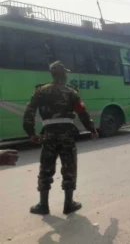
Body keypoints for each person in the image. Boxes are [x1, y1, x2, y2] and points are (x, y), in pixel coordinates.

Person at [23, 61, 98, 215]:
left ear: (52, 74)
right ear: (64, 74)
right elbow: (82, 113)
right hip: (67, 135)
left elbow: (29, 112)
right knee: (69, 167)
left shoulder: (40, 91)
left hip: (48, 134)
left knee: (46, 168)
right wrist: (92, 129)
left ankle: (43, 205)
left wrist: (31, 133)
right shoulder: (72, 92)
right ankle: (68, 204)